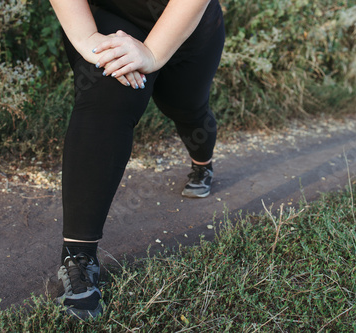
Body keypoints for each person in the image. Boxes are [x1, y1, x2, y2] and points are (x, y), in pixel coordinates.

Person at [49, 0, 225, 320]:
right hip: (110, 14)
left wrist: (153, 53)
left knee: (186, 108)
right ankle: (79, 257)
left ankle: (202, 164)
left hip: (185, 21)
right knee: (107, 92)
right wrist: (88, 37)